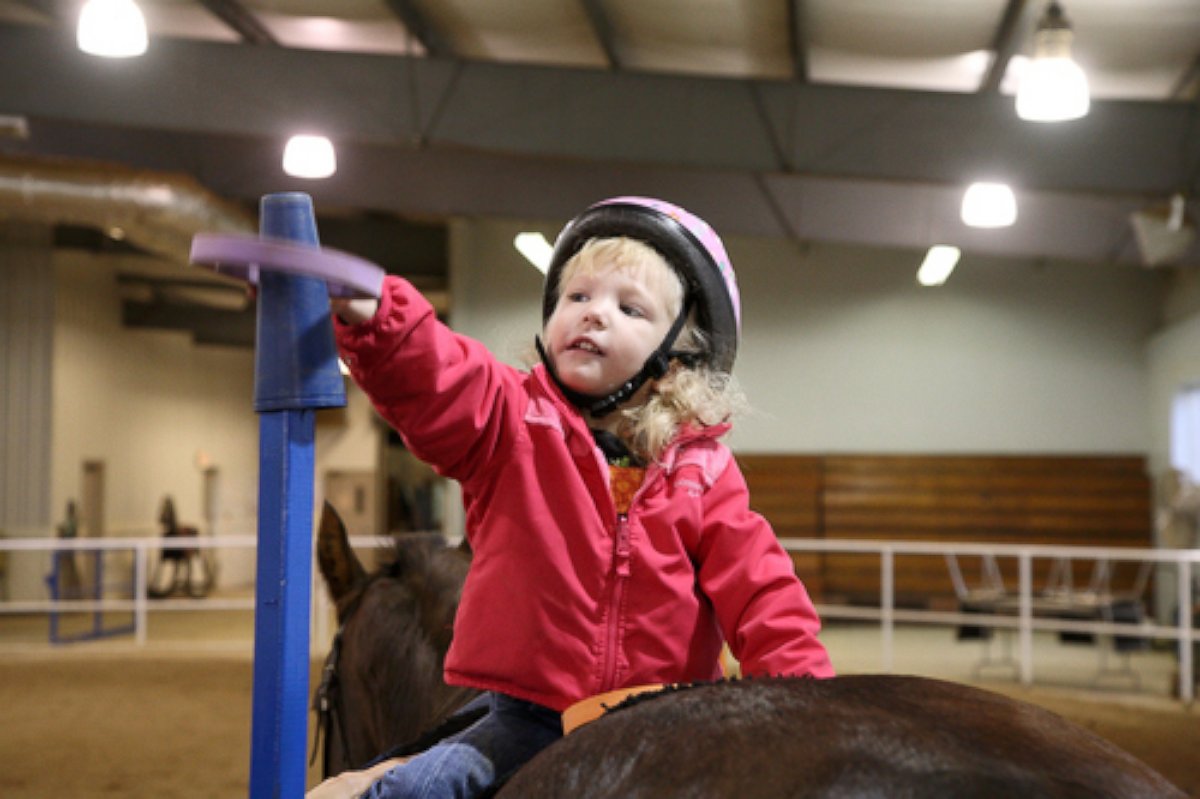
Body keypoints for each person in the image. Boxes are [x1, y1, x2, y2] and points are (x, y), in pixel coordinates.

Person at [311, 196, 833, 799]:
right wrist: (378, 314)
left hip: (666, 721)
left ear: (679, 355)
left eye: (629, 307)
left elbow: (763, 594)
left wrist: (806, 709)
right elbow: (444, 378)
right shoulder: (511, 423)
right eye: (577, 297)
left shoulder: (703, 473)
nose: (593, 314)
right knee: (411, 792)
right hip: (530, 718)